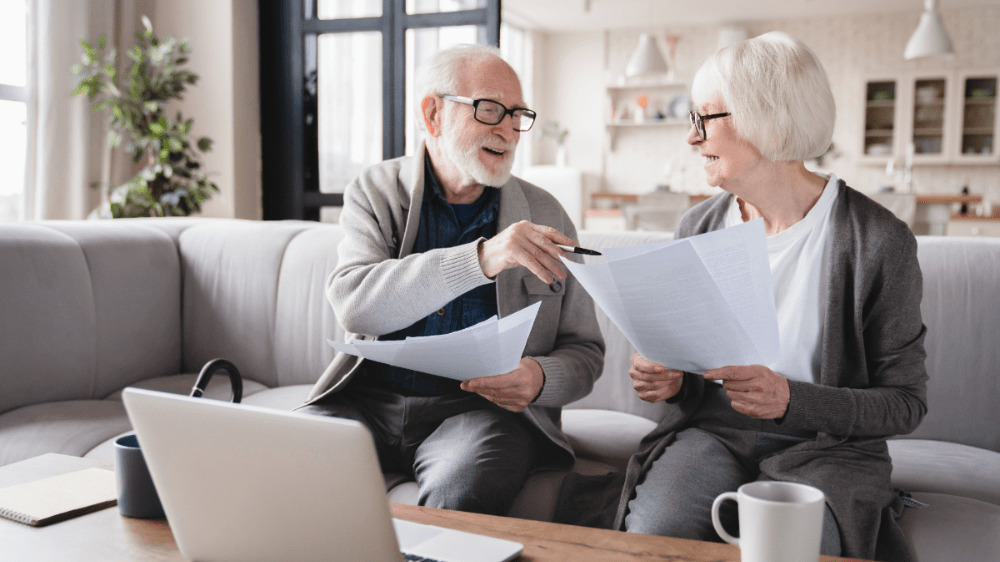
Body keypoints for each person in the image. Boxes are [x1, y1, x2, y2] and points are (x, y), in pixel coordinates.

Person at [616, 32, 927, 561]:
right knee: (652, 539)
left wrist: (791, 400)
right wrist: (667, 380)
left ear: (770, 121)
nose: (692, 139)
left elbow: (905, 404)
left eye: (704, 119)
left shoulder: (878, 240)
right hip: (710, 435)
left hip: (827, 449)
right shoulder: (698, 227)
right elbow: (688, 376)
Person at [300, 44, 605, 516]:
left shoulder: (547, 214)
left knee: (461, 492)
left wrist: (539, 378)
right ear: (433, 113)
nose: (508, 128)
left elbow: (586, 352)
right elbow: (355, 305)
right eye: (489, 110)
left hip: (478, 417)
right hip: (366, 402)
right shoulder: (375, 192)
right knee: (282, 462)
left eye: (517, 114)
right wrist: (482, 258)